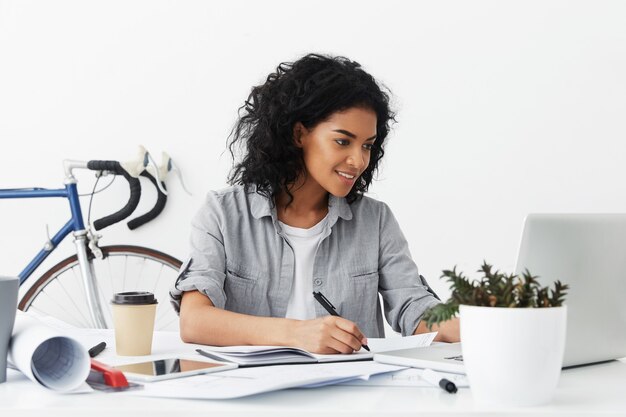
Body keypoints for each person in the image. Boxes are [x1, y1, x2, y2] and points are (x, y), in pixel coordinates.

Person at [171, 53, 460, 354]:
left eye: (367, 146)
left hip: (351, 394)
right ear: (299, 134)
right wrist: (297, 334)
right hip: (255, 394)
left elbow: (414, 308)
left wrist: (481, 321)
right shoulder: (223, 214)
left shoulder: (375, 220)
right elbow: (194, 322)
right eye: (342, 141)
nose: (358, 160)